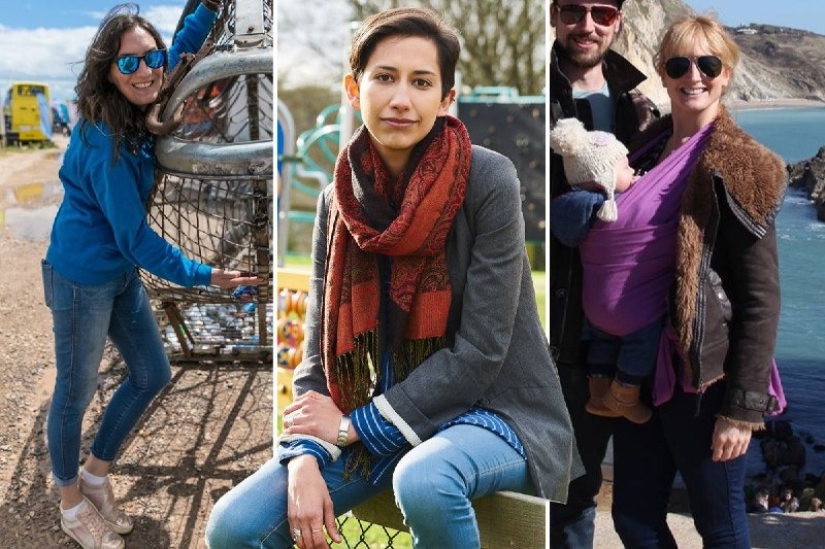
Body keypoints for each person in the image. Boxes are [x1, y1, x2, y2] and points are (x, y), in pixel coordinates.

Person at [206, 6, 579, 549]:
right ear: (355, 89)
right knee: (234, 526)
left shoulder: (489, 179)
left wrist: (353, 428)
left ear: (446, 99)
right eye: (384, 77)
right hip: (377, 415)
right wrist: (306, 457)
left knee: (425, 480)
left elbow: (482, 351)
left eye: (421, 82)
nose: (401, 98)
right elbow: (318, 351)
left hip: (496, 411)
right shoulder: (338, 201)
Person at [42, 2, 261, 549]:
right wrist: (207, 276)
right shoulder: (105, 140)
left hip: (116, 276)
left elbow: (183, 48)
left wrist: (210, 6)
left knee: (152, 373)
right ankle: (71, 502)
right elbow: (135, 239)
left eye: (151, 58)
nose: (144, 71)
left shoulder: (145, 96)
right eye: (127, 64)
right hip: (80, 277)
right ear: (106, 72)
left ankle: (95, 474)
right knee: (75, 391)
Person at [608, 14, 786, 548]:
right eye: (679, 64)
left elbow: (761, 297)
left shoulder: (744, 166)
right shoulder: (638, 152)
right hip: (636, 371)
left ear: (726, 74)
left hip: (704, 379)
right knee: (634, 520)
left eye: (708, 64)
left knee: (721, 527)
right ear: (662, 73)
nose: (694, 75)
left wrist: (740, 409)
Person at [548, 0, 659, 545]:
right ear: (553, 14)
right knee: (567, 493)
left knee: (629, 498)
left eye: (602, 12)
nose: (586, 25)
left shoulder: (640, 107)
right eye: (572, 9)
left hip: (639, 328)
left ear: (618, 20)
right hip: (560, 332)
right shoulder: (532, 100)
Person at [549, 117, 663, 425]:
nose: (633, 172)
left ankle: (598, 392)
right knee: (643, 338)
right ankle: (625, 391)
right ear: (604, 177)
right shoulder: (615, 208)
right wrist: (638, 190)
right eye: (625, 168)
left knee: (604, 342)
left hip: (592, 308)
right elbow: (633, 211)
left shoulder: (569, 209)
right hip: (626, 308)